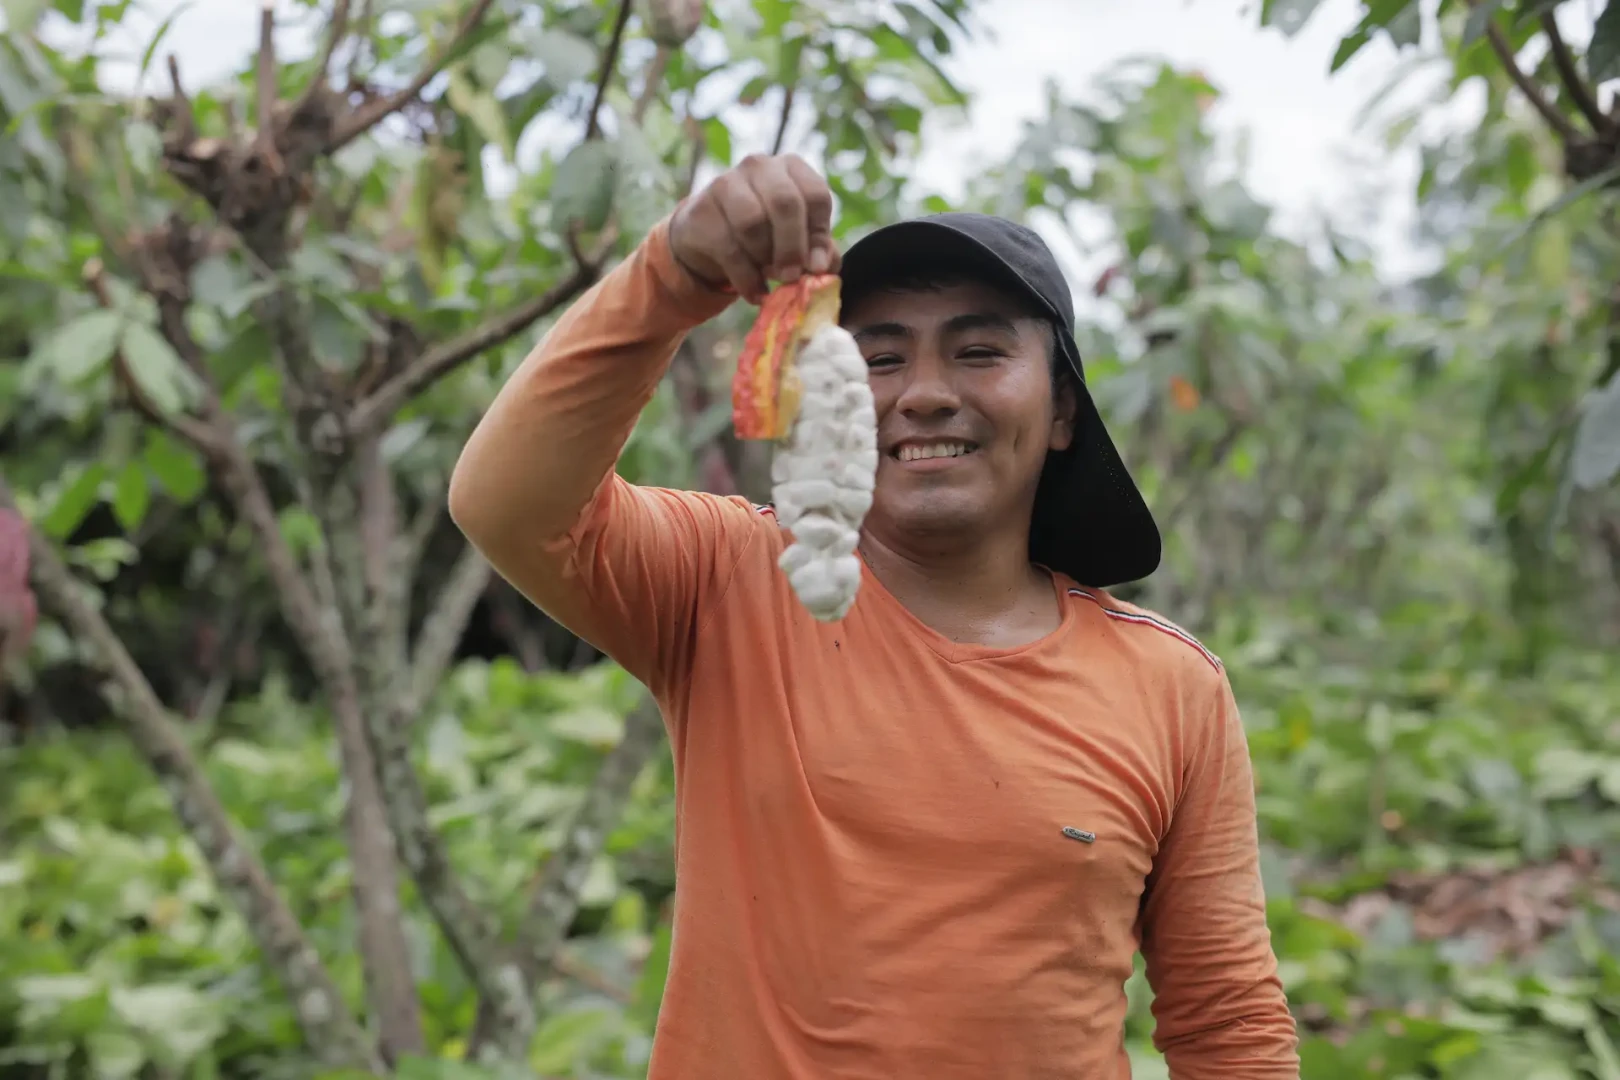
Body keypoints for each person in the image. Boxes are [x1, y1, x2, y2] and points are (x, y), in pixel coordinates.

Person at [450, 153, 1299, 1079]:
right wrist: (677, 274)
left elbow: (1228, 1021)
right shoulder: (729, 580)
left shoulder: (1171, 687)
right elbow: (508, 505)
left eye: (979, 352)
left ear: (1061, 410)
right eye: (879, 357)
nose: (925, 392)